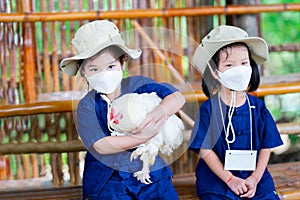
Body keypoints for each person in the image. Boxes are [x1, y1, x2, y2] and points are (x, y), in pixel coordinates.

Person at [60, 20, 185, 199]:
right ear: (83, 71)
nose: (104, 74)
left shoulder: (139, 85)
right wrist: (142, 136)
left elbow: (176, 98)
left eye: (111, 66)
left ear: (123, 63)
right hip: (108, 179)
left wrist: (155, 114)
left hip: (147, 170)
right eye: (94, 69)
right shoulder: (87, 106)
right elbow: (101, 146)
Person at [189, 25, 283, 200]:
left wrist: (254, 178)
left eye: (244, 63)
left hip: (255, 179)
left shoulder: (258, 108)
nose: (239, 69)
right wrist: (230, 179)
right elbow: (205, 150)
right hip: (217, 180)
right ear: (215, 72)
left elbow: (266, 146)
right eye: (230, 65)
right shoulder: (208, 110)